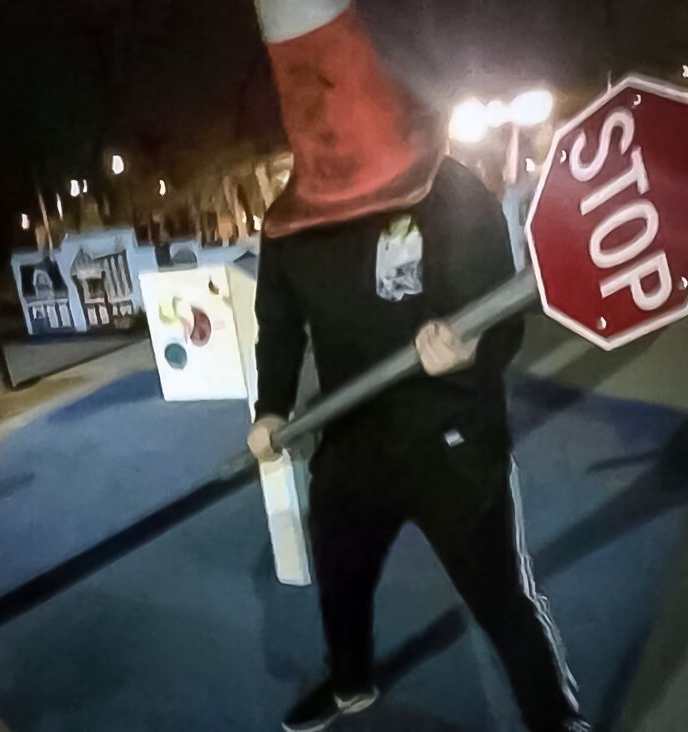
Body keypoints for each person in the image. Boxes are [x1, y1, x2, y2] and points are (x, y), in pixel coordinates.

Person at [248, 3, 589, 730]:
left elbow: (501, 322)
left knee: (503, 600)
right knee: (340, 582)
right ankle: (350, 686)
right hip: (349, 440)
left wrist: (471, 350)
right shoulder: (287, 225)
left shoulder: (450, 188)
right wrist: (271, 410)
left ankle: (556, 722)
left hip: (452, 441)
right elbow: (277, 327)